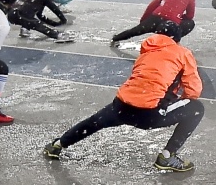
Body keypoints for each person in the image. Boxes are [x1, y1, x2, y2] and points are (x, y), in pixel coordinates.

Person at [43, 20, 204, 172]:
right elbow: (193, 91)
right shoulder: (182, 53)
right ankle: (167, 156)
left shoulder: (147, 50)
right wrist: (175, 100)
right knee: (196, 108)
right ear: (177, 39)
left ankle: (58, 144)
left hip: (122, 106)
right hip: (150, 113)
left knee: (94, 122)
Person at [112, 0, 196, 44]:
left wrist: (144, 21)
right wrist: (178, 17)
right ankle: (171, 42)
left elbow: (153, 5)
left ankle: (116, 38)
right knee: (190, 23)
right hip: (170, 24)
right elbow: (190, 15)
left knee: (134, 31)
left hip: (155, 18)